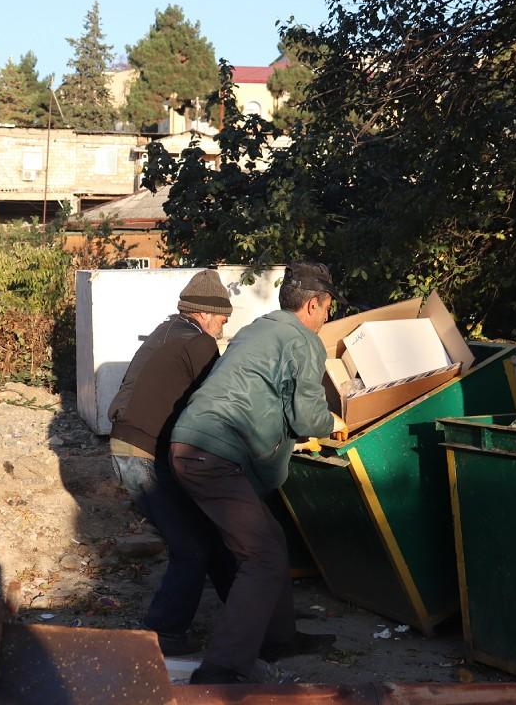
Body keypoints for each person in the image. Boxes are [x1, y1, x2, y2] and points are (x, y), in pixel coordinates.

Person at [170, 260, 348, 685]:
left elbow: (263, 394)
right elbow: (307, 417)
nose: (327, 317)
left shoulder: (259, 328)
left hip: (193, 445)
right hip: (215, 454)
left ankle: (279, 637)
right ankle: (222, 669)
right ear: (314, 304)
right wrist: (334, 422)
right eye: (327, 308)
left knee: (270, 537)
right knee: (263, 554)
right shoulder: (304, 341)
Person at [107, 269, 238, 656]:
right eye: (223, 320)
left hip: (131, 447)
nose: (223, 329)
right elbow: (212, 407)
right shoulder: (199, 345)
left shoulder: (166, 332)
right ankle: (163, 634)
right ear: (207, 314)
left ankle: (245, 611)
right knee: (192, 547)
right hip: (142, 455)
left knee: (204, 534)